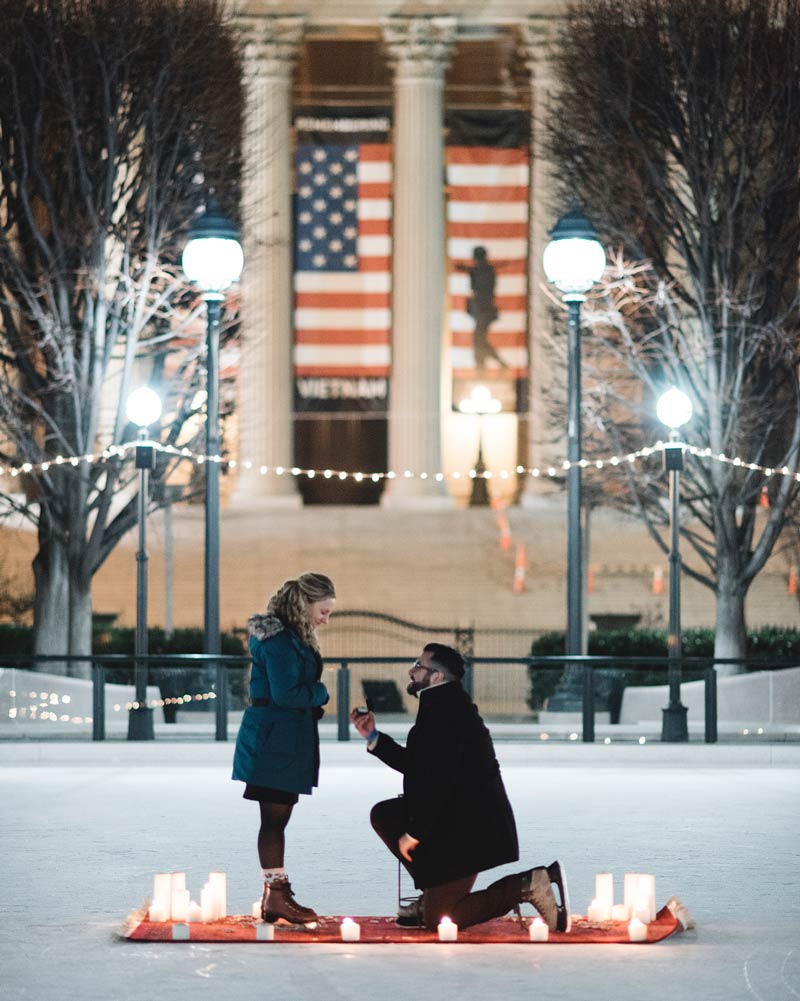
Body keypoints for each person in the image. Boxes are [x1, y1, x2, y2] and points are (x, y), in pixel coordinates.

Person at [350, 643, 570, 933]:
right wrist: (374, 737)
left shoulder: (447, 713)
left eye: (419, 666)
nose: (411, 671)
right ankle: (433, 893)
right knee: (385, 815)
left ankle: (529, 884)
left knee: (439, 920)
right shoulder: (440, 705)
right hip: (454, 820)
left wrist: (415, 834)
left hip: (470, 830)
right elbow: (420, 766)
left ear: (438, 677)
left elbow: (439, 782)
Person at [232, 572, 336, 925]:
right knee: (274, 819)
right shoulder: (279, 641)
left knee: (279, 817)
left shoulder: (290, 638)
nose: (326, 618)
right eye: (323, 611)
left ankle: (273, 894)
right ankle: (276, 894)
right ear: (303, 605)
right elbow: (286, 693)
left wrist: (311, 702)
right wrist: (321, 694)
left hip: (284, 737)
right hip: (273, 740)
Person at [456, 245, 509, 370]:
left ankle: (487, 364)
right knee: (479, 340)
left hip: (484, 310)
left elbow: (483, 286)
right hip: (480, 310)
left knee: (478, 340)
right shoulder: (481, 270)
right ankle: (485, 364)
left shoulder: (484, 271)